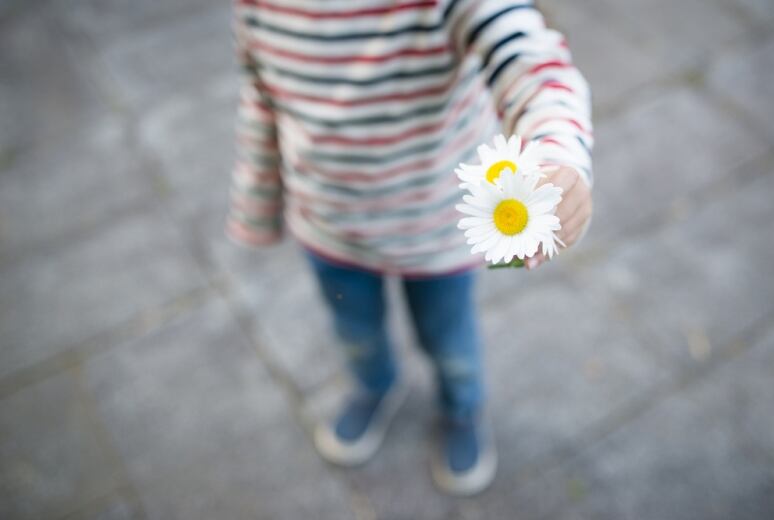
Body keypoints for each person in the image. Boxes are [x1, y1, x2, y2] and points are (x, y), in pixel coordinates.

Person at [226, 0, 593, 496]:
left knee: (449, 341)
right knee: (354, 331)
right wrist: (258, 199)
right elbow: (263, 95)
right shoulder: (258, 8)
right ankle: (374, 386)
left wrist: (557, 151)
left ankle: (462, 408)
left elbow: (531, 62)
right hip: (330, 228)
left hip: (437, 233)